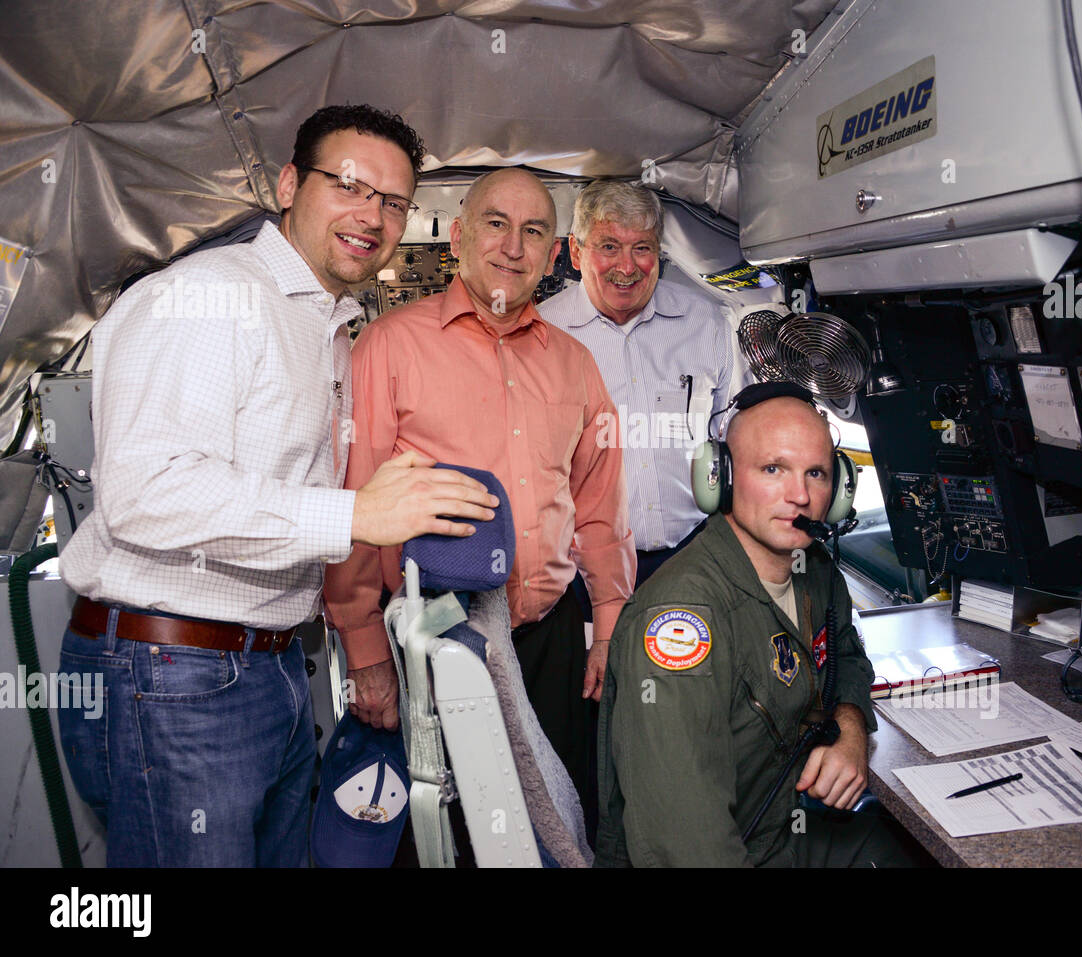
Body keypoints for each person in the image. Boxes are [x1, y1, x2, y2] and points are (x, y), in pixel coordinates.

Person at [56, 104, 499, 867]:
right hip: (173, 676)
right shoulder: (207, 297)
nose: (374, 216)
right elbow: (145, 489)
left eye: (394, 202)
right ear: (291, 183)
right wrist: (358, 512)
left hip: (264, 667)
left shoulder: (321, 322)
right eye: (351, 185)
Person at [324, 167, 635, 808]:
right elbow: (354, 508)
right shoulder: (388, 347)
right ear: (459, 236)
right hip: (435, 641)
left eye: (533, 232)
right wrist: (364, 651)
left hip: (550, 639)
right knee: (457, 830)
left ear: (554, 255)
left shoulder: (575, 364)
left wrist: (607, 621)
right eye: (495, 224)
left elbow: (600, 507)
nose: (512, 248)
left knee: (561, 817)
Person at [597, 382, 930, 866]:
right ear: (721, 479)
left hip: (781, 832)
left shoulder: (815, 572)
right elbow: (686, 846)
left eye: (815, 473)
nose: (799, 495)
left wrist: (851, 729)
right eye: (773, 469)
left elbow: (849, 658)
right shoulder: (683, 621)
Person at [537, 179, 747, 590]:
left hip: (695, 554)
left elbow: (735, 437)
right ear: (577, 253)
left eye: (642, 248)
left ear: (659, 254)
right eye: (609, 246)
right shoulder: (541, 335)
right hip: (579, 571)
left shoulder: (708, 324)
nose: (627, 267)